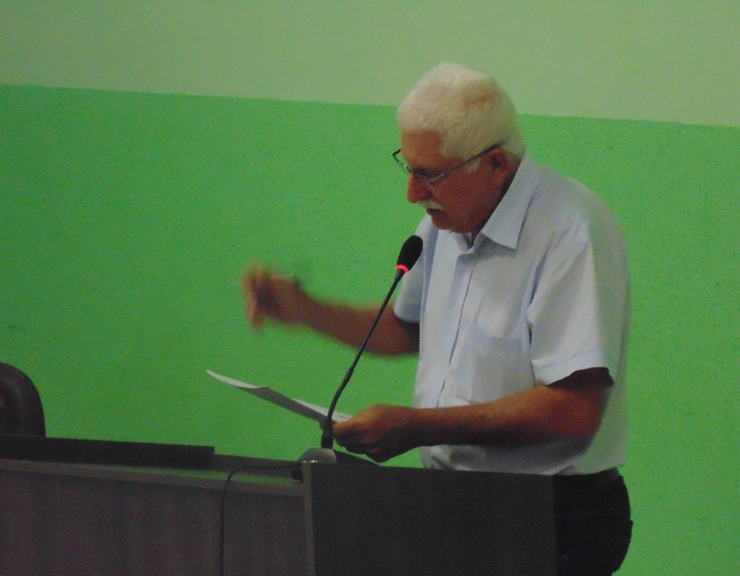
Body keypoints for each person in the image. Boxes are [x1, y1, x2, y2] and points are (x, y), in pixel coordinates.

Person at [243, 63, 632, 575]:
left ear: (496, 164)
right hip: (450, 501)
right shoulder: (445, 222)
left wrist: (420, 427)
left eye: (430, 174)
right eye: (408, 168)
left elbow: (573, 410)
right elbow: (408, 329)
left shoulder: (571, 231)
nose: (412, 192)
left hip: (549, 516)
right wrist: (307, 310)